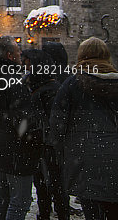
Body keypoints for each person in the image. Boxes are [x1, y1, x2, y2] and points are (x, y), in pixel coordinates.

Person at [50, 37, 118, 220]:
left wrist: (62, 151)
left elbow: (57, 124)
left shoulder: (72, 85)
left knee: (92, 212)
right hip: (113, 156)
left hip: (84, 158)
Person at [0, 36, 43, 220]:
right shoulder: (12, 80)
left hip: (0, 142)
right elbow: (22, 119)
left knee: (2, 195)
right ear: (10, 55)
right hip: (16, 148)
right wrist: (35, 135)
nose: (21, 54)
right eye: (18, 50)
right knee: (20, 201)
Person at [22, 49, 69, 220]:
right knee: (42, 183)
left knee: (56, 183)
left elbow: (53, 119)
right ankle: (44, 213)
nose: (25, 66)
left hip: (48, 143)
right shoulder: (34, 85)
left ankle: (60, 213)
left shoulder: (51, 88)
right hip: (38, 142)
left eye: (28, 63)